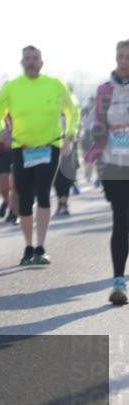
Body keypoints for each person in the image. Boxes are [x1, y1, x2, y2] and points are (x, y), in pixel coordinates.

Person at [0, 45, 79, 266]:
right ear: (22, 63)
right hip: (23, 148)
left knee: (42, 192)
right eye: (27, 59)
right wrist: (0, 132)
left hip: (50, 146)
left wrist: (69, 136)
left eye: (35, 58)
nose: (31, 62)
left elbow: (73, 111)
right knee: (25, 198)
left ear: (42, 62)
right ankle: (28, 246)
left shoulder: (55, 85)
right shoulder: (12, 87)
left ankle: (41, 246)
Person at [84, 39, 129, 305]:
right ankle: (118, 281)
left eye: (128, 56)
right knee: (121, 219)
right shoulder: (105, 89)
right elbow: (93, 123)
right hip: (113, 163)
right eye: (121, 56)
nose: (124, 60)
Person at [53, 82, 81, 217]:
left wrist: (71, 137)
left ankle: (63, 203)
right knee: (57, 176)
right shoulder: (55, 103)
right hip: (55, 144)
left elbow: (77, 121)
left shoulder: (73, 102)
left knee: (67, 174)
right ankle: (61, 203)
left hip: (69, 143)